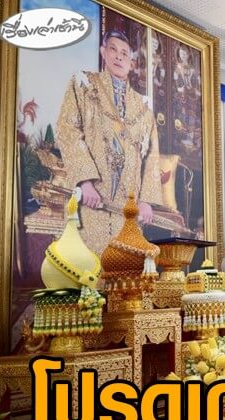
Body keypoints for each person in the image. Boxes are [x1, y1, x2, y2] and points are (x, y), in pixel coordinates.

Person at [56, 29, 163, 254]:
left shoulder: (143, 108)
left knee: (124, 269)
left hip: (127, 208)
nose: (118, 56)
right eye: (113, 49)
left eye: (125, 53)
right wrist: (85, 182)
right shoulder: (84, 85)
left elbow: (152, 156)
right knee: (87, 267)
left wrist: (146, 201)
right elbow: (68, 130)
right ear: (103, 52)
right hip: (92, 198)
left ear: (131, 63)